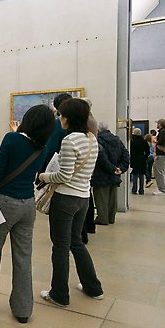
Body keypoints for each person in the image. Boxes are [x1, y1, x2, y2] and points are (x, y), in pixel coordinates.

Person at [0, 104, 55, 324]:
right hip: (27, 205)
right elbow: (28, 163)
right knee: (23, 258)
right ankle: (23, 310)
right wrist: (15, 131)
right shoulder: (43, 148)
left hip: (4, 204)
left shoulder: (11, 139)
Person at [37, 98, 103, 307]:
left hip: (65, 199)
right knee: (76, 243)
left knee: (60, 246)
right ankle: (93, 287)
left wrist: (43, 177)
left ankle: (59, 294)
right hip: (83, 198)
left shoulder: (70, 140)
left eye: (61, 114)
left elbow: (63, 175)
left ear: (68, 117)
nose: (59, 117)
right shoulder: (91, 138)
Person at [91, 122, 130, 225]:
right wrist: (120, 168)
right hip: (115, 175)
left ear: (98, 130)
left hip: (101, 175)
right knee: (112, 198)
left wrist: (112, 169)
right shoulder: (117, 140)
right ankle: (111, 218)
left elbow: (101, 158)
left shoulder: (98, 140)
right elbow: (125, 155)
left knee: (101, 198)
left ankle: (103, 219)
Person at [80, 97, 98, 244]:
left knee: (85, 197)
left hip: (83, 162)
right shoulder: (91, 119)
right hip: (88, 162)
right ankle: (88, 226)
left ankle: (84, 229)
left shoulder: (87, 120)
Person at [153, 119, 165, 195]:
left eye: (157, 123)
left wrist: (156, 142)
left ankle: (162, 190)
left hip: (161, 155)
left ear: (160, 124)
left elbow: (162, 142)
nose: (157, 124)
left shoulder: (163, 132)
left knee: (159, 173)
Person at [130, 128, 150, 194]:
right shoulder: (144, 141)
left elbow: (131, 151)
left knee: (135, 174)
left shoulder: (132, 142)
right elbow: (148, 151)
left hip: (134, 159)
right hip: (142, 159)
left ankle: (134, 189)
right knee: (141, 175)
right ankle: (141, 190)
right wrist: (145, 157)